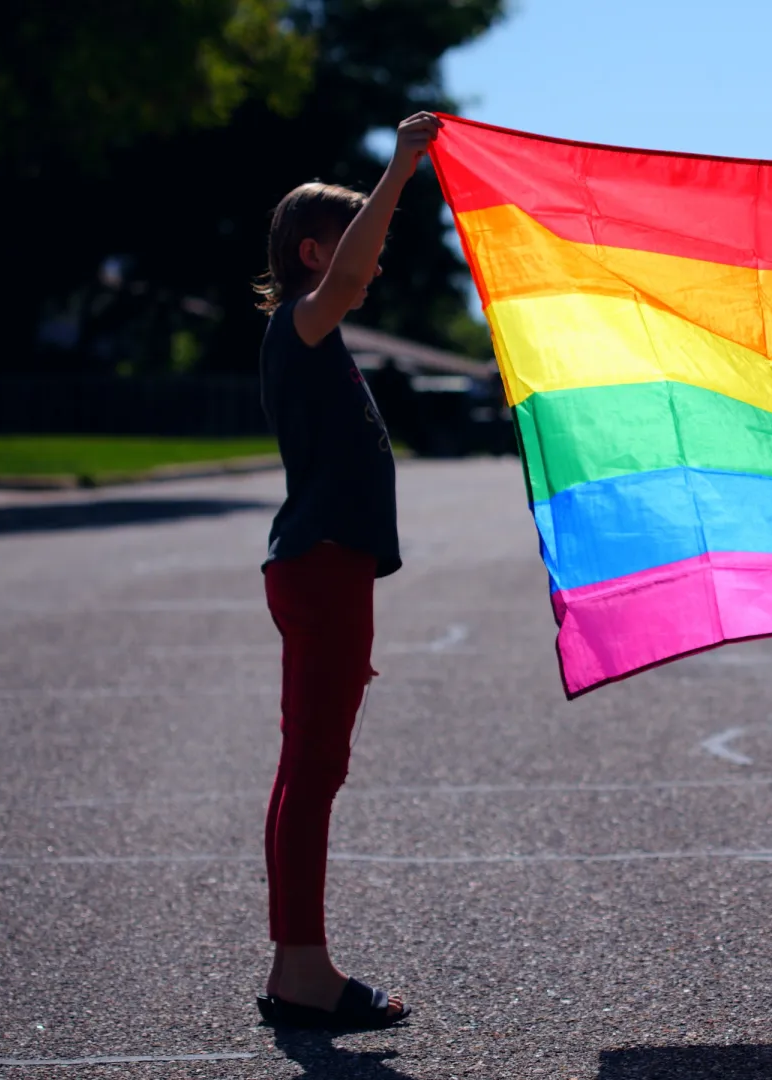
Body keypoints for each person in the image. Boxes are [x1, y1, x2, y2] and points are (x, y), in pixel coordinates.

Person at [250, 111, 443, 1030]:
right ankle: (304, 974)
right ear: (313, 249)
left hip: (326, 567)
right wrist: (402, 168)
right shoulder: (304, 321)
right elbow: (358, 266)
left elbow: (362, 264)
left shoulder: (318, 337)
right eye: (356, 237)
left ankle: (300, 964)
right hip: (322, 568)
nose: (374, 260)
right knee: (315, 769)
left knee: (308, 769)